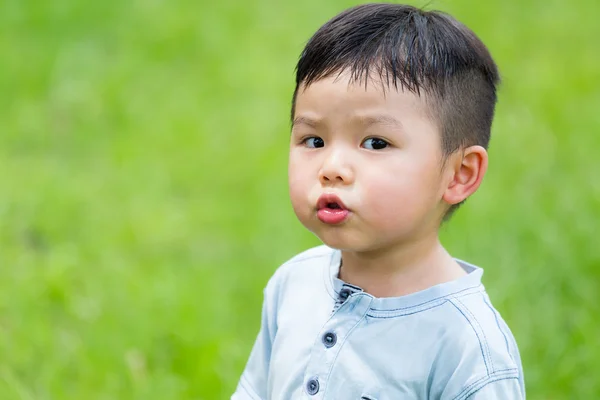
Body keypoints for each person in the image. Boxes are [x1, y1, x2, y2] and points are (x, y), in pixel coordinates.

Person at [232, 3, 525, 399]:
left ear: (459, 174)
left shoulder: (467, 347)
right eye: (313, 141)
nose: (332, 167)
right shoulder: (293, 283)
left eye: (375, 143)